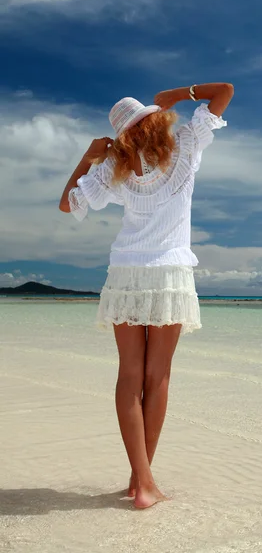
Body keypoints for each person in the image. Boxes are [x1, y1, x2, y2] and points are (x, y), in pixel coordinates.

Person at [59, 83, 234, 509]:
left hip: (126, 275)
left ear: (123, 136)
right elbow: (224, 92)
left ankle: (142, 481)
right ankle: (144, 484)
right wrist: (176, 93)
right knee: (157, 379)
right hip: (170, 273)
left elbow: (67, 205)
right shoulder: (185, 148)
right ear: (155, 120)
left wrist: (87, 156)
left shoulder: (112, 170)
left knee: (129, 378)